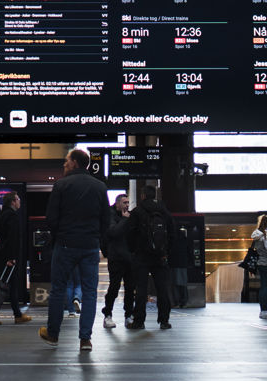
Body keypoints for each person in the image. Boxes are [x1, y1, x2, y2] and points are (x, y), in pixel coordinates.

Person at [40, 147, 111, 350]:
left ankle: (53, 334)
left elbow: (51, 219)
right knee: (89, 293)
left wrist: (59, 235)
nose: (64, 164)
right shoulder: (99, 187)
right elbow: (105, 220)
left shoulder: (61, 185)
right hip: (89, 246)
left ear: (75, 163)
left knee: (58, 289)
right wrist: (97, 240)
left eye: (66, 161)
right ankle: (85, 339)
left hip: (65, 245)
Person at [126, 184, 177, 332]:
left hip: (142, 256)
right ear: (155, 195)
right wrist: (166, 251)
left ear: (142, 196)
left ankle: (139, 321)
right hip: (160, 257)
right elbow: (173, 233)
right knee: (162, 289)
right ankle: (164, 320)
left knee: (141, 289)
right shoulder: (164, 212)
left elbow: (130, 233)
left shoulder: (137, 212)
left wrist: (133, 250)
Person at [0, 191, 32, 324]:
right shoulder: (12, 216)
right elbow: (13, 238)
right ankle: (17, 315)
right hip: (10, 257)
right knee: (11, 286)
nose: (19, 202)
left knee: (2, 286)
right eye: (17, 199)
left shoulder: (1, 215)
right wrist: (12, 257)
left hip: (2, 255)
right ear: (12, 202)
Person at [100, 193, 135, 329]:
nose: (127, 205)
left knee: (130, 288)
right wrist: (125, 220)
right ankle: (107, 314)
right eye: (125, 203)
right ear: (118, 203)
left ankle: (128, 315)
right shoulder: (110, 215)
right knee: (114, 287)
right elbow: (113, 232)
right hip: (116, 258)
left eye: (128, 203)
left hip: (129, 257)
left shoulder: (129, 216)